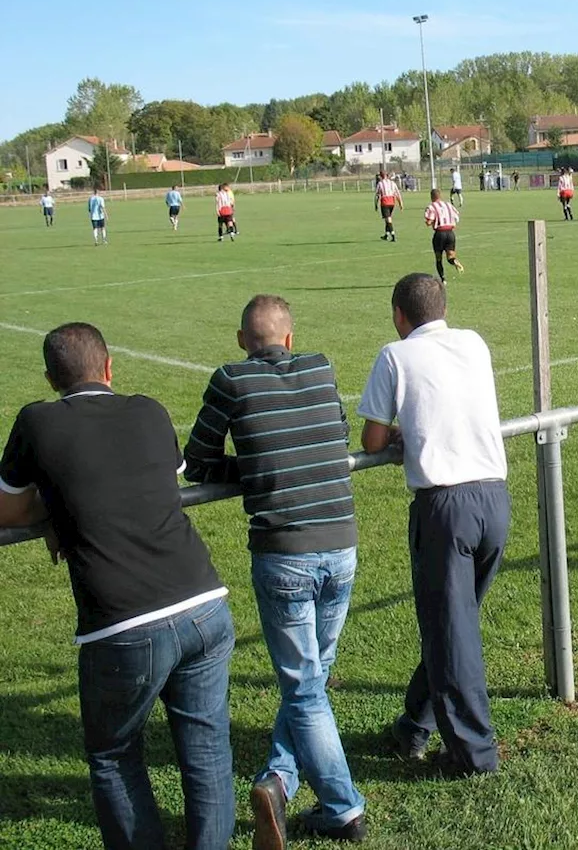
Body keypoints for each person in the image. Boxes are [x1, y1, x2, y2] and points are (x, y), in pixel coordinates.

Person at [0, 323, 235, 850]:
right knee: (207, 750)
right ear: (109, 368)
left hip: (123, 623)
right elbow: (157, 479)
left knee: (113, 754)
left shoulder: (36, 421)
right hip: (204, 603)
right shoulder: (149, 409)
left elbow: (9, 509)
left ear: (49, 378)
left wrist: (55, 508)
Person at [183, 296, 365, 848]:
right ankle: (278, 780)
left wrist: (258, 468)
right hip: (340, 544)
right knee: (312, 679)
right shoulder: (321, 366)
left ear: (243, 340)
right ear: (290, 339)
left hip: (284, 551)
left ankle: (342, 808)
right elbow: (335, 434)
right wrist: (271, 463)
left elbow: (197, 461)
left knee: (306, 690)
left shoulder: (229, 380)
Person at [358, 273, 511, 777]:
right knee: (454, 626)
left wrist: (402, 431)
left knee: (452, 634)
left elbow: (374, 440)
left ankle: (474, 757)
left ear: (399, 316)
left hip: (446, 508)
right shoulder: (474, 343)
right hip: (494, 499)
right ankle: (414, 727)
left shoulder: (394, 355)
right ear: (443, 307)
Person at [425, 187, 465, 283]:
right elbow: (456, 217)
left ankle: (443, 279)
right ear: (440, 196)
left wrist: (432, 221)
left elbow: (428, 222)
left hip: (439, 234)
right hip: (450, 233)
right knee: (450, 257)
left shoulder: (431, 206)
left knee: (438, 258)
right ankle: (454, 261)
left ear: (431, 197)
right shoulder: (448, 205)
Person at [376, 170, 403, 242]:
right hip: (392, 202)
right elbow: (397, 193)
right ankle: (386, 235)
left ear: (381, 176)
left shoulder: (380, 183)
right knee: (387, 219)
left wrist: (375, 204)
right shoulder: (392, 183)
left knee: (388, 219)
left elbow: (377, 195)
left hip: (385, 202)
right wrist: (400, 203)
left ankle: (393, 235)